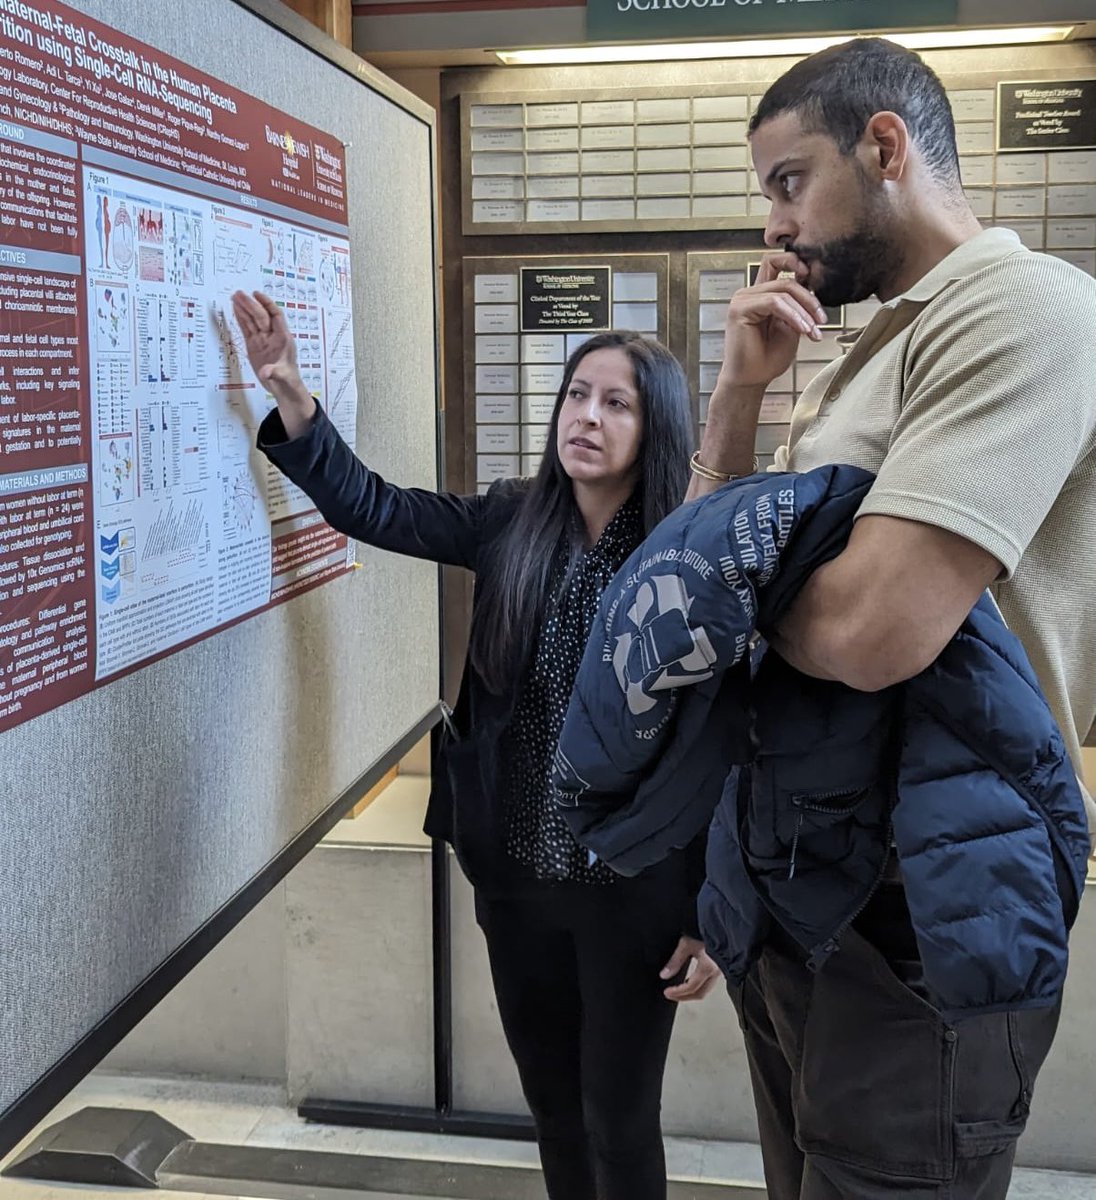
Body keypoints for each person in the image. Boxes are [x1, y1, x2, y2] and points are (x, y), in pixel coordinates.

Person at [681, 36, 1096, 1200]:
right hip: (804, 874)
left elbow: (873, 633)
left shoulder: (1028, 310)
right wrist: (737, 393)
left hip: (931, 900)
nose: (774, 227)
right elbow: (689, 579)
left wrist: (741, 604)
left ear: (884, 147)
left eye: (786, 182)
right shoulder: (865, 345)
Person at [230, 288, 722, 1200]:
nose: (587, 416)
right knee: (554, 1108)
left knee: (620, 1117)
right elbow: (375, 508)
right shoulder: (510, 518)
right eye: (578, 394)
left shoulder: (681, 548)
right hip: (517, 879)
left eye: (618, 403)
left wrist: (710, 907)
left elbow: (714, 742)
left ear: (657, 427)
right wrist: (292, 398)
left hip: (635, 893)